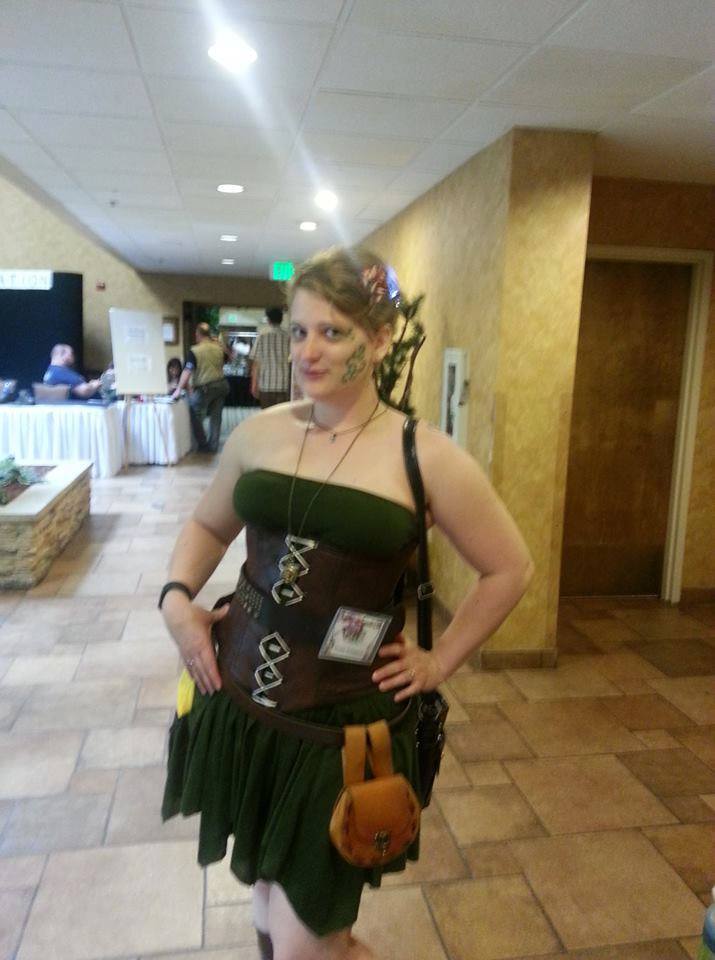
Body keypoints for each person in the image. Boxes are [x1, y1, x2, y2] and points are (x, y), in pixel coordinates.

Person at [159, 247, 534, 960]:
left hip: (339, 729)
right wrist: (178, 599)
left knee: (309, 938)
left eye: (333, 332)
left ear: (381, 339)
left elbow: (509, 568)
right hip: (241, 705)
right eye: (300, 331)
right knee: (266, 900)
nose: (308, 351)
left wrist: (439, 662)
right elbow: (208, 527)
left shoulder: (425, 455)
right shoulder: (260, 433)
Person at [171, 323, 229, 453]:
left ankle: (202, 444)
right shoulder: (218, 348)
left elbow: (187, 371)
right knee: (216, 417)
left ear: (198, 334)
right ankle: (213, 446)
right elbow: (228, 359)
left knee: (193, 411)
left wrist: (179, 389)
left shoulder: (195, 350)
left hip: (206, 387)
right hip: (222, 385)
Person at [250, 305, 291, 407]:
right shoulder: (289, 337)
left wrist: (254, 384)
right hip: (285, 386)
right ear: (281, 319)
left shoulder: (261, 337)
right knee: (283, 415)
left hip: (266, 386)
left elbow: (256, 363)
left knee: (268, 415)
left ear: (268, 320)